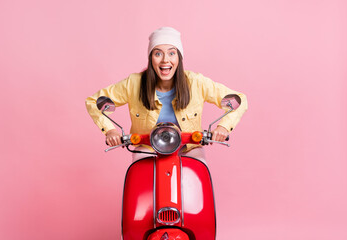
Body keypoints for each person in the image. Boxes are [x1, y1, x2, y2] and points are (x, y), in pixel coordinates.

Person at [85, 27, 248, 162]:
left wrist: (223, 127)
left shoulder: (196, 82)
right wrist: (110, 131)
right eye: (158, 53)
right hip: (147, 149)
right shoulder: (134, 83)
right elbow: (94, 102)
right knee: (138, 178)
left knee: (197, 176)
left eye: (171, 53)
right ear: (151, 58)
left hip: (188, 148)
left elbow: (239, 100)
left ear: (179, 57)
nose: (165, 60)